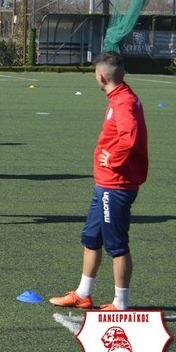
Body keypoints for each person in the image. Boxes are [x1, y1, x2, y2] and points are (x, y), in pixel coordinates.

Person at [49, 51, 148, 311]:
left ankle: (121, 302)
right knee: (91, 237)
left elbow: (131, 139)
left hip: (116, 185)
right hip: (106, 183)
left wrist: (112, 160)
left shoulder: (124, 102)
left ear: (100, 76)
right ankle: (83, 293)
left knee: (116, 244)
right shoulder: (119, 97)